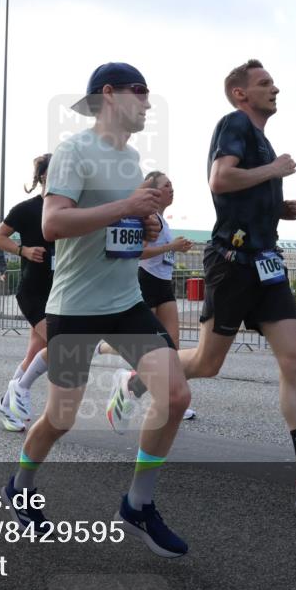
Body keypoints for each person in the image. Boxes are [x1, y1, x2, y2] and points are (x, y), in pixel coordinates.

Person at [109, 60, 296, 508]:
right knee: (209, 363)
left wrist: (274, 206)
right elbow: (220, 178)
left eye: (273, 82)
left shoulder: (261, 140)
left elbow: (239, 190)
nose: (276, 89)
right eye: (264, 83)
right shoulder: (234, 124)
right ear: (240, 94)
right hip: (233, 262)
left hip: (267, 263)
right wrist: (273, 173)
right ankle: (136, 380)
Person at [3, 62, 192, 558]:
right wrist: (127, 209)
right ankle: (20, 486)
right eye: (141, 92)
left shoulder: (130, 159)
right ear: (109, 95)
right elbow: (54, 222)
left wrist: (145, 228)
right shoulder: (73, 151)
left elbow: (120, 234)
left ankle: (138, 504)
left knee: (174, 392)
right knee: (60, 418)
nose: (149, 103)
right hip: (74, 310)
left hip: (125, 303)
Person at [100, 170, 196, 425]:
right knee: (148, 346)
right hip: (146, 282)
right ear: (152, 190)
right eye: (166, 185)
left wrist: (177, 247)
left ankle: (155, 389)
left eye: (173, 185)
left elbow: (162, 251)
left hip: (164, 284)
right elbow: (139, 253)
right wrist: (170, 247)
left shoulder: (163, 219)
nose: (171, 189)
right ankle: (104, 347)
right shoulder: (148, 217)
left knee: (171, 345)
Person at [0, 154, 55, 432]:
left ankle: (4, 406)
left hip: (58, 291)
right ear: (43, 176)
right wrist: (24, 250)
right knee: (63, 345)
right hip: (33, 290)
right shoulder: (27, 209)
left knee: (33, 354)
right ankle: (18, 393)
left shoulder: (68, 210)